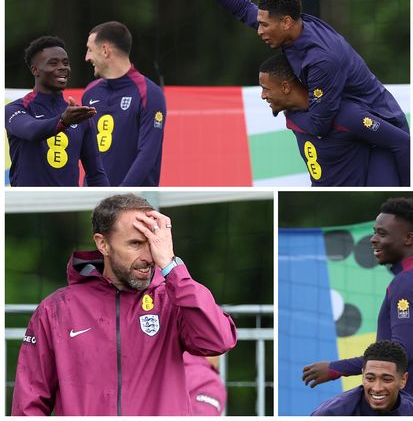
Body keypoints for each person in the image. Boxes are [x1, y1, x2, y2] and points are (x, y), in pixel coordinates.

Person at [12, 194, 238, 415]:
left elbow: (219, 340)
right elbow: (29, 404)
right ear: (103, 244)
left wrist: (171, 266)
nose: (148, 256)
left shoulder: (172, 299)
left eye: (152, 243)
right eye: (135, 244)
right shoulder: (55, 310)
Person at [180, 0, 409, 156]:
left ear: (286, 22)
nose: (259, 31)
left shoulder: (321, 60)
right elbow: (244, 9)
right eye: (260, 24)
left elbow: (320, 123)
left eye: (264, 25)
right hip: (356, 127)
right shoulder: (290, 30)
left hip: (381, 128)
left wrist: (287, 110)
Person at [302, 198, 413, 405]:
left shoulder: (406, 284)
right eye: (374, 231)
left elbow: (397, 353)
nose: (373, 239)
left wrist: (335, 368)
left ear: (408, 238)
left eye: (382, 233)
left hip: (405, 405)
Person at [259, 51, 410, 186]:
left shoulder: (347, 115)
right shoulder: (292, 117)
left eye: (266, 88)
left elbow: (403, 143)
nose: (262, 96)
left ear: (285, 87)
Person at [5, 36, 109, 186]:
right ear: (35, 70)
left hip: (69, 203)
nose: (62, 67)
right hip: (27, 203)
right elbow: (31, 131)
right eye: (53, 63)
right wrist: (63, 121)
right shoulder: (15, 109)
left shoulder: (79, 115)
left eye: (65, 63)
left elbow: (96, 174)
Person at [82, 21, 168, 186]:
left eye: (90, 49)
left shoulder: (150, 93)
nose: (87, 57)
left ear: (105, 50)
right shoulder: (90, 93)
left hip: (134, 203)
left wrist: (119, 197)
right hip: (96, 202)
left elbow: (147, 154)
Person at [310, 341, 413, 416]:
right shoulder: (331, 413)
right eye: (370, 378)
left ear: (403, 380)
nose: (377, 388)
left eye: (387, 379)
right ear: (363, 376)